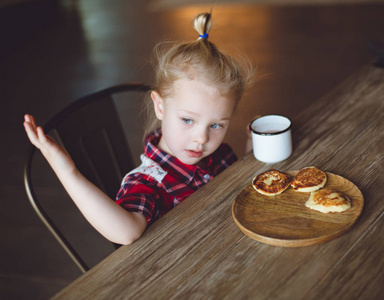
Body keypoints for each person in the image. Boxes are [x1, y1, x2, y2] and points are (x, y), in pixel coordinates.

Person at [23, 12, 254, 245]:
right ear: (160, 106)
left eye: (216, 125)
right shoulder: (150, 182)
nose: (201, 138)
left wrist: (253, 147)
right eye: (187, 120)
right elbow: (126, 233)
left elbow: (242, 189)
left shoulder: (220, 155)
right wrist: (68, 172)